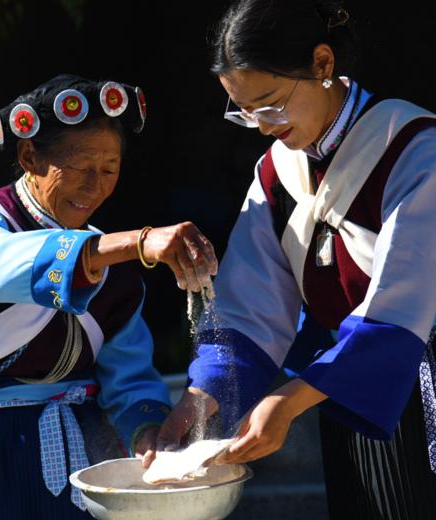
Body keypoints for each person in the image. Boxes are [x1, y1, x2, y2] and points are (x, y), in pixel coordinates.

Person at [154, 1, 436, 518]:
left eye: (271, 104)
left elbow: (401, 305)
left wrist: (290, 401)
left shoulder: (417, 150)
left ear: (323, 64)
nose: (262, 127)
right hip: (340, 389)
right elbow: (248, 305)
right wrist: (202, 398)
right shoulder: (275, 172)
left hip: (413, 375)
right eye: (245, 111)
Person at [0, 74, 218, 519]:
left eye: (109, 169)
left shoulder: (114, 273)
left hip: (76, 466)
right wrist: (136, 243)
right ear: (28, 157)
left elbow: (130, 378)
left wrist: (149, 433)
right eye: (78, 167)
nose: (95, 186)